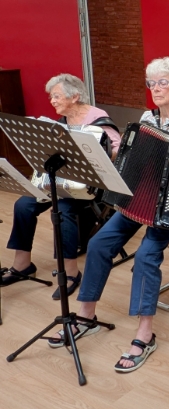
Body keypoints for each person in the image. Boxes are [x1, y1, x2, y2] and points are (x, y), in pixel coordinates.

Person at [47, 57, 169, 373]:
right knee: (99, 245)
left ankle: (145, 335)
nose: (156, 88)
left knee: (147, 256)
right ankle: (85, 316)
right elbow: (133, 154)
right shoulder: (146, 118)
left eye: (163, 82)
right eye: (151, 83)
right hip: (139, 199)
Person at [0, 74, 121, 300]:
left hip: (89, 185)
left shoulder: (98, 119)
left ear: (74, 96)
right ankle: (22, 264)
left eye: (56, 96)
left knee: (63, 210)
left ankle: (71, 272)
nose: (52, 101)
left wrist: (98, 153)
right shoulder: (61, 121)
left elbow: (119, 150)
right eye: (51, 97)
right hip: (59, 181)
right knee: (23, 205)